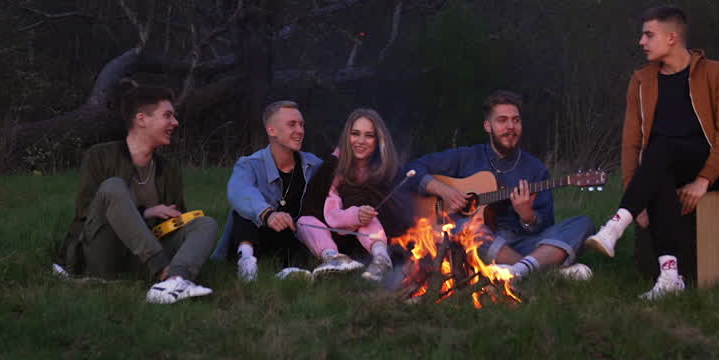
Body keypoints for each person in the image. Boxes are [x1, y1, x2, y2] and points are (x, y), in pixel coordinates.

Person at [584, 5, 719, 299]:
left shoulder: (717, 73)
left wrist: (703, 180)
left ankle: (616, 225)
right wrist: (636, 194)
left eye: (648, 35)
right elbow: (631, 141)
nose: (641, 42)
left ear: (672, 38)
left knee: (663, 146)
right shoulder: (642, 80)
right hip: (660, 168)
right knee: (659, 158)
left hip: (704, 164)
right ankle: (670, 276)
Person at [405, 90, 595, 282]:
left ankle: (518, 270)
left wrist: (527, 216)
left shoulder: (536, 169)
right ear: (488, 126)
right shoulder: (467, 156)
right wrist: (444, 191)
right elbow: (412, 169)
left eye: (516, 120)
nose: (510, 127)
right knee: (466, 226)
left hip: (521, 241)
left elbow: (547, 227)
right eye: (502, 120)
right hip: (480, 241)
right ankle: (539, 272)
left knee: (583, 223)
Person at [56, 80, 218, 304]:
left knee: (206, 223)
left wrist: (179, 222)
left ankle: (175, 280)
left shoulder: (169, 169)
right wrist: (146, 212)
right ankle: (163, 273)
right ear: (142, 119)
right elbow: (86, 212)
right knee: (113, 186)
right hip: (104, 253)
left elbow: (175, 223)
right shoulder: (99, 156)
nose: (175, 122)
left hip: (143, 257)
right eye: (167, 116)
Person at [211, 100, 324, 281]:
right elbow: (240, 191)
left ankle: (292, 269)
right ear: (272, 131)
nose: (300, 131)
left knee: (298, 224)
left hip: (292, 237)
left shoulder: (314, 165)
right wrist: (267, 214)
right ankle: (246, 262)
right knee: (244, 210)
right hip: (255, 234)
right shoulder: (249, 164)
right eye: (292, 125)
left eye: (302, 125)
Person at [297, 108, 402, 281]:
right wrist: (353, 215)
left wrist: (361, 214)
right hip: (335, 234)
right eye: (355, 134)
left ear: (378, 140)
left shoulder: (386, 172)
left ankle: (382, 259)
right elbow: (321, 210)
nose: (360, 141)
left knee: (368, 213)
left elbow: (394, 214)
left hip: (370, 239)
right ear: (347, 136)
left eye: (369, 135)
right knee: (304, 222)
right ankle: (334, 259)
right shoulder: (332, 168)